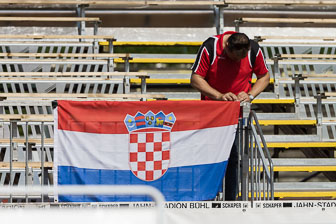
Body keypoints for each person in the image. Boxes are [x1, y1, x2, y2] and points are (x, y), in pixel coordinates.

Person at [190, 31, 270, 200]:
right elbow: (196, 78)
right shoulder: (210, 47)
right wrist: (219, 96)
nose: (237, 62)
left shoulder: (254, 50)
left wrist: (250, 95)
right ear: (226, 47)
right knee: (209, 158)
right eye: (234, 58)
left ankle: (230, 201)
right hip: (211, 114)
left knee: (233, 158)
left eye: (241, 59)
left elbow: (264, 77)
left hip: (236, 115)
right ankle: (206, 199)